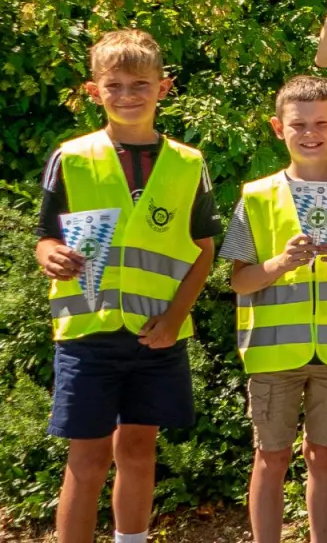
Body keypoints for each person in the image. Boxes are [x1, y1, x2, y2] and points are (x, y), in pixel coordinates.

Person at [35, 29, 221, 543]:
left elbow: (203, 250)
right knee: (87, 458)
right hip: (86, 332)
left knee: (139, 451)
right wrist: (52, 257)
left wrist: (176, 319)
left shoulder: (188, 163)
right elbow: (44, 237)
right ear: (94, 91)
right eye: (114, 85)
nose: (127, 96)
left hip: (155, 333)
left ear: (164, 87)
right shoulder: (71, 157)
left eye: (139, 84)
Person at [226, 76, 327, 543]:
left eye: (320, 123)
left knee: (325, 454)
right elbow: (239, 280)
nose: (310, 133)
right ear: (279, 128)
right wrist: (278, 263)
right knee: (270, 457)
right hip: (273, 355)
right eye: (298, 124)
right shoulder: (257, 196)